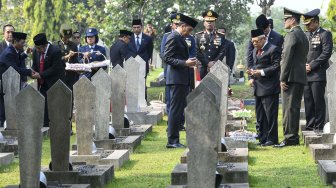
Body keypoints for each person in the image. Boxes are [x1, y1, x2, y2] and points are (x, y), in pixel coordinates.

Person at [274, 8, 309, 147]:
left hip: (290, 77)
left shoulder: (292, 35)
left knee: (288, 109)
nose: (284, 22)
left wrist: (282, 78)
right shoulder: (302, 35)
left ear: (293, 20)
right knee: (293, 108)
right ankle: (292, 137)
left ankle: (290, 138)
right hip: (299, 76)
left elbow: (287, 58)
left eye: (285, 19)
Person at [247, 14, 284, 139]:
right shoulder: (254, 50)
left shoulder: (273, 49)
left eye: (257, 41)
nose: (255, 44)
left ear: (263, 39)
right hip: (258, 86)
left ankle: (272, 138)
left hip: (269, 86)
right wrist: (251, 73)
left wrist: (261, 72)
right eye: (253, 42)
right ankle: (262, 136)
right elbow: (253, 62)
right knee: (260, 114)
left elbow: (276, 66)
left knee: (270, 114)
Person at [164, 13, 198, 148]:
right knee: (175, 110)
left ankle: (175, 140)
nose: (189, 33)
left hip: (182, 79)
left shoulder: (180, 37)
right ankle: (172, 141)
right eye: (188, 30)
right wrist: (185, 63)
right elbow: (167, 57)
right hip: (176, 79)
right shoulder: (173, 36)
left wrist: (190, 63)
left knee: (178, 110)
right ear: (182, 26)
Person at [302, 9, 333, 132]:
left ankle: (319, 126)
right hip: (306, 74)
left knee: (318, 101)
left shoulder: (325, 34)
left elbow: (326, 53)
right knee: (308, 102)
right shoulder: (307, 35)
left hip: (318, 74)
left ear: (316, 22)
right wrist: (303, 65)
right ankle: (310, 126)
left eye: (309, 24)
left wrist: (312, 65)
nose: (307, 26)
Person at [32, 33, 65, 127]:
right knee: (44, 106)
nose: (37, 50)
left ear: (45, 45)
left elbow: (54, 69)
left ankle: (57, 127)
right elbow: (35, 64)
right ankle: (46, 127)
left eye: (39, 48)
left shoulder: (55, 51)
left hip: (55, 82)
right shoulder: (35, 51)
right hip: (43, 83)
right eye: (36, 48)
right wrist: (33, 72)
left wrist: (40, 75)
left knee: (56, 106)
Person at [195, 10, 226, 79]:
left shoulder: (221, 36)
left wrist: (214, 63)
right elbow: (197, 51)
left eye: (211, 21)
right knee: (201, 88)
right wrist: (207, 63)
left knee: (215, 88)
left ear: (215, 23)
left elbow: (222, 51)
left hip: (216, 67)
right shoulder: (198, 36)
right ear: (204, 23)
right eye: (207, 21)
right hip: (202, 67)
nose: (209, 23)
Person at [128, 19, 154, 100]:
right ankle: (133, 102)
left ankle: (143, 101)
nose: (136, 29)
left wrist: (144, 60)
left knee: (142, 84)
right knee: (132, 85)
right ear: (132, 28)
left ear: (141, 27)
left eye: (138, 27)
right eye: (134, 27)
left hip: (143, 65)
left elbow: (150, 52)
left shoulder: (148, 39)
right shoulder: (128, 38)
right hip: (132, 65)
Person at [53, 24, 78, 90]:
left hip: (71, 78)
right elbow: (55, 61)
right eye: (65, 37)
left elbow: (76, 61)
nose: (67, 39)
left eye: (68, 37)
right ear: (61, 36)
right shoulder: (55, 45)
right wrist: (67, 56)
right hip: (59, 77)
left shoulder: (73, 45)